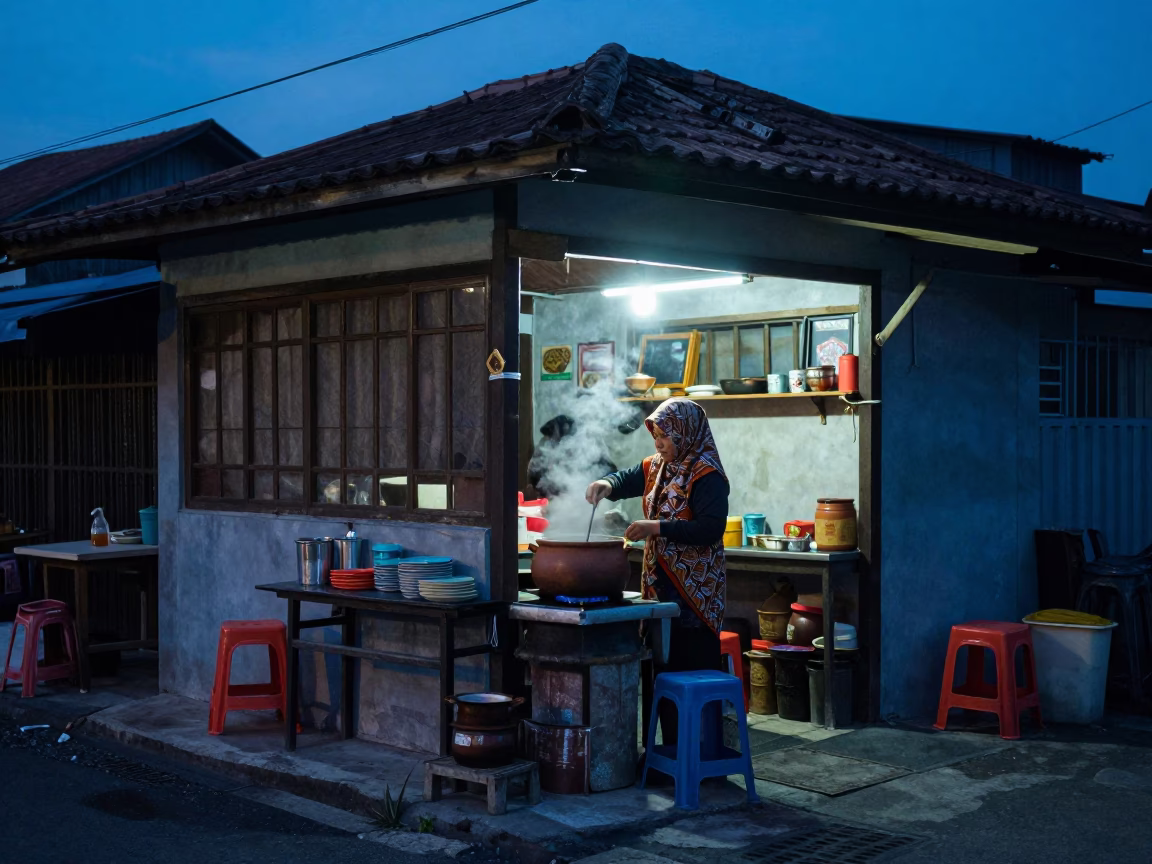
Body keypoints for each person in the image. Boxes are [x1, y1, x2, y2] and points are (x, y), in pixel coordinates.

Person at [585, 398, 728, 747]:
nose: (659, 443)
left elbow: (710, 529)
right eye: (657, 436)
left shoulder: (707, 474)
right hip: (659, 587)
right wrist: (606, 484)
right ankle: (659, 755)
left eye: (666, 436)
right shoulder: (658, 467)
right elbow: (627, 478)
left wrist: (656, 527)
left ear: (686, 433)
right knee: (659, 672)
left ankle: (696, 754)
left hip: (694, 594)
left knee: (688, 668)